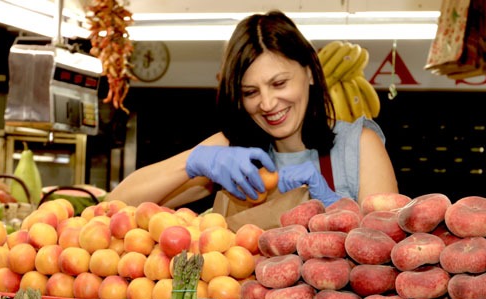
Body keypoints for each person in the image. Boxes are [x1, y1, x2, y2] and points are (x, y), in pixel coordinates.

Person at [110, 10, 398, 209]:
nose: (267, 104)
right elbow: (115, 204)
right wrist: (192, 162)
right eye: (250, 92)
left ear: (310, 72)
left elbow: (385, 248)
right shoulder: (232, 154)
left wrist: (334, 207)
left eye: (279, 83)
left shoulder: (357, 146)